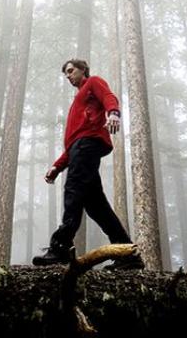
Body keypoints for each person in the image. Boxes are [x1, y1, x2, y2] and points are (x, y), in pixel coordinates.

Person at [32, 58, 144, 269]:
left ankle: (60, 247)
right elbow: (72, 141)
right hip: (78, 149)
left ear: (83, 70)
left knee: (73, 190)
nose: (68, 76)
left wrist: (113, 113)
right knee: (97, 207)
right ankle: (129, 254)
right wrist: (57, 166)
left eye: (71, 71)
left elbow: (109, 97)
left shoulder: (93, 82)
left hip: (88, 144)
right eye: (65, 73)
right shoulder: (77, 102)